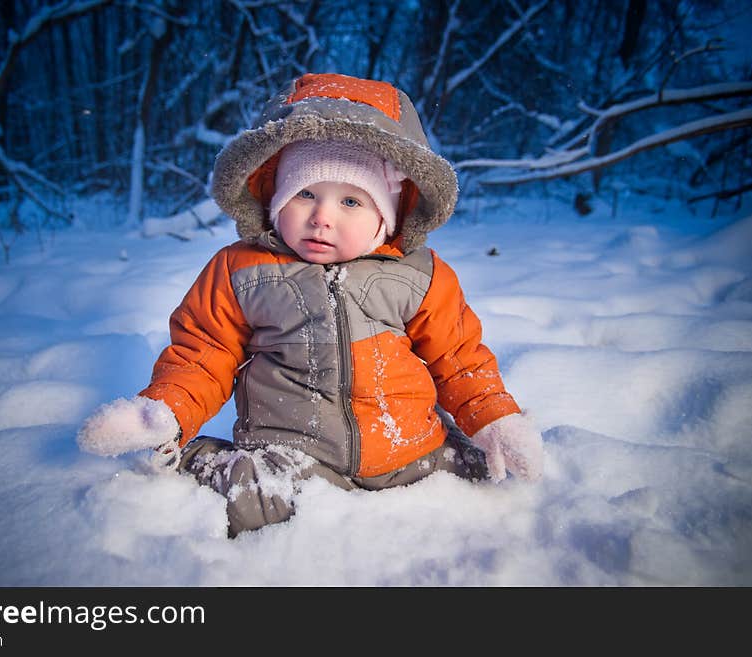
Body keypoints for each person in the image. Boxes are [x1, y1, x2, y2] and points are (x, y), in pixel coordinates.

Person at [78, 73, 544, 538]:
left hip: (412, 451)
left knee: (482, 471)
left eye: (350, 201)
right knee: (251, 499)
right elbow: (203, 354)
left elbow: (459, 360)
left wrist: (495, 420)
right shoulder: (241, 271)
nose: (322, 217)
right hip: (290, 458)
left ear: (387, 214)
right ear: (275, 197)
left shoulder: (420, 276)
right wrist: (164, 412)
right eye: (305, 194)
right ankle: (197, 459)